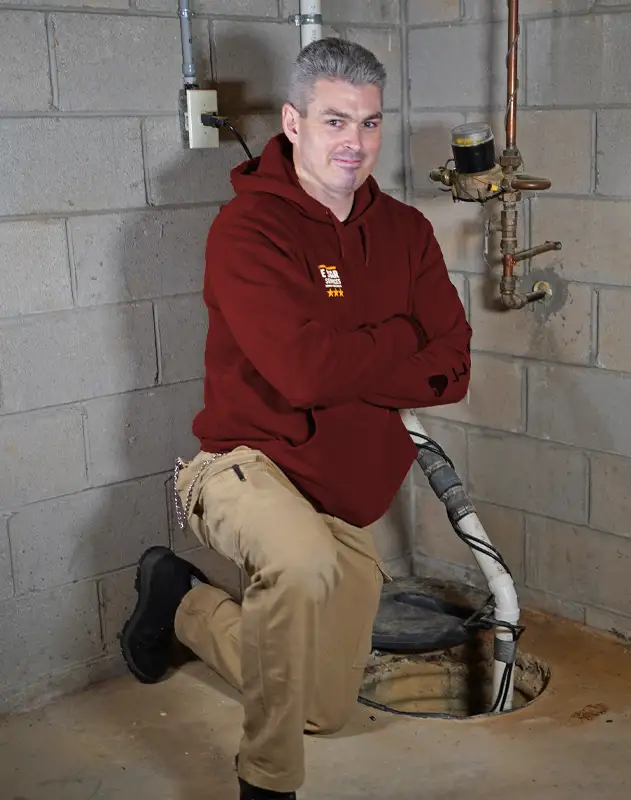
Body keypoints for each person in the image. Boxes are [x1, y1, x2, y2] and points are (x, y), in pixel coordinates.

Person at [120, 37, 471, 799]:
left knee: (322, 708)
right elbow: (303, 373)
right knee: (300, 563)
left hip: (340, 499)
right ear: (293, 121)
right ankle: (267, 781)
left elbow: (455, 368)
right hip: (242, 466)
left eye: (371, 123)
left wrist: (358, 355)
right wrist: (402, 340)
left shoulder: (406, 233)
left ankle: (179, 602)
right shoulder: (249, 231)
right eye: (336, 121)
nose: (356, 142)